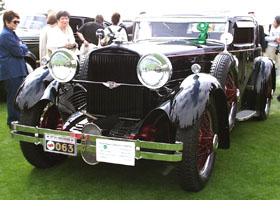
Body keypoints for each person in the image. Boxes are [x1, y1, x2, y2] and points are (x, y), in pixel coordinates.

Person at [0, 10, 28, 128]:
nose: (17, 24)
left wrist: (21, 46)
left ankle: (15, 118)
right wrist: (21, 46)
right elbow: (19, 51)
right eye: (14, 21)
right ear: (7, 22)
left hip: (16, 70)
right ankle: (13, 120)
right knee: (13, 97)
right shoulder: (6, 35)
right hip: (12, 71)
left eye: (18, 21)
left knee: (17, 96)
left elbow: (24, 47)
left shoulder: (12, 33)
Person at [265, 16, 280, 101]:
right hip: (270, 48)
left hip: (278, 49)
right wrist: (275, 38)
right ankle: (268, 83)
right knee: (269, 66)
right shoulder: (269, 27)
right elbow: (265, 37)